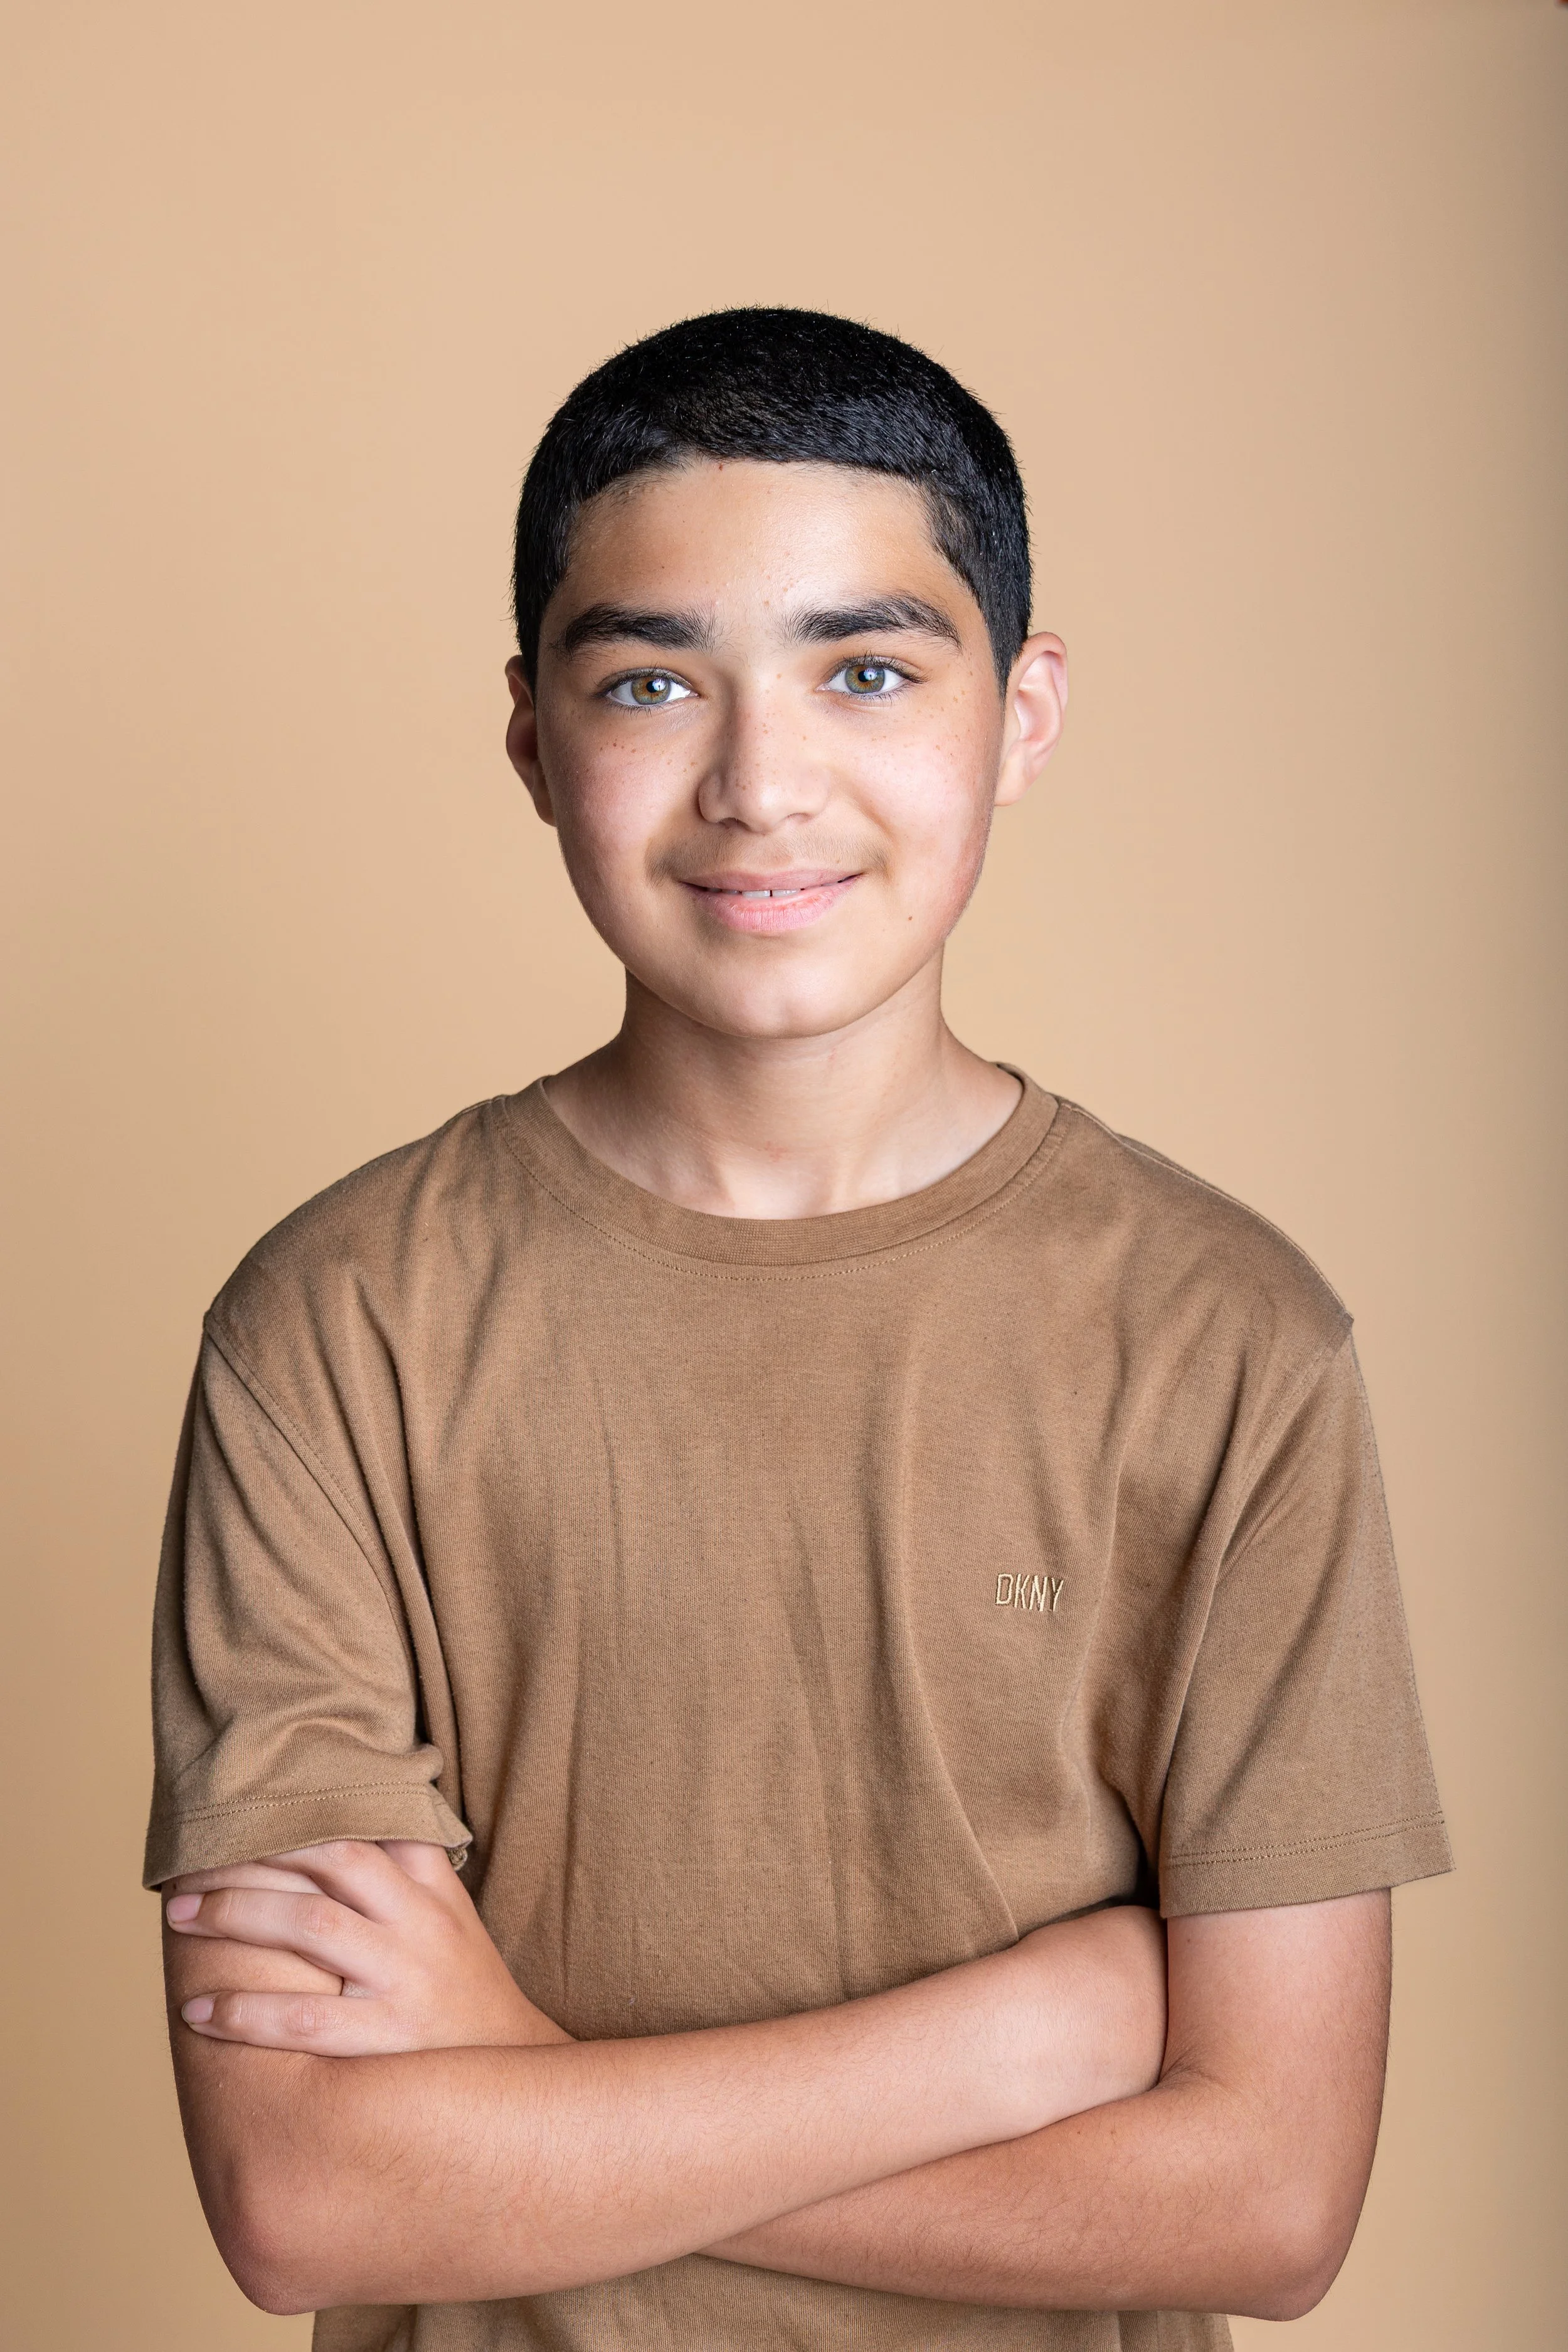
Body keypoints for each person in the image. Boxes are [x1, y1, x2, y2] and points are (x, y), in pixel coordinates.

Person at [147, 307, 1451, 2352]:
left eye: (864, 670)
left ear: (1018, 716)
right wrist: (1039, 2031)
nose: (761, 785)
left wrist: (525, 2081)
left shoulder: (1225, 1337)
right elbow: (316, 2192)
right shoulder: (335, 1326)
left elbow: (1270, 2203)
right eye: (655, 681)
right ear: (530, 740)